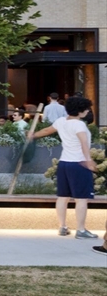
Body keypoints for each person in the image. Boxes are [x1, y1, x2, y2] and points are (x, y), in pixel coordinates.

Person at [34, 95, 99, 240]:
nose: (88, 111)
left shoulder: (61, 121)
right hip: (79, 164)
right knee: (81, 198)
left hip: (64, 163)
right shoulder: (79, 125)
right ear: (81, 111)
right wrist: (88, 160)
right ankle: (81, 230)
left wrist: (32, 135)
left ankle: (62, 227)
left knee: (63, 197)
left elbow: (45, 131)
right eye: (87, 109)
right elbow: (83, 142)